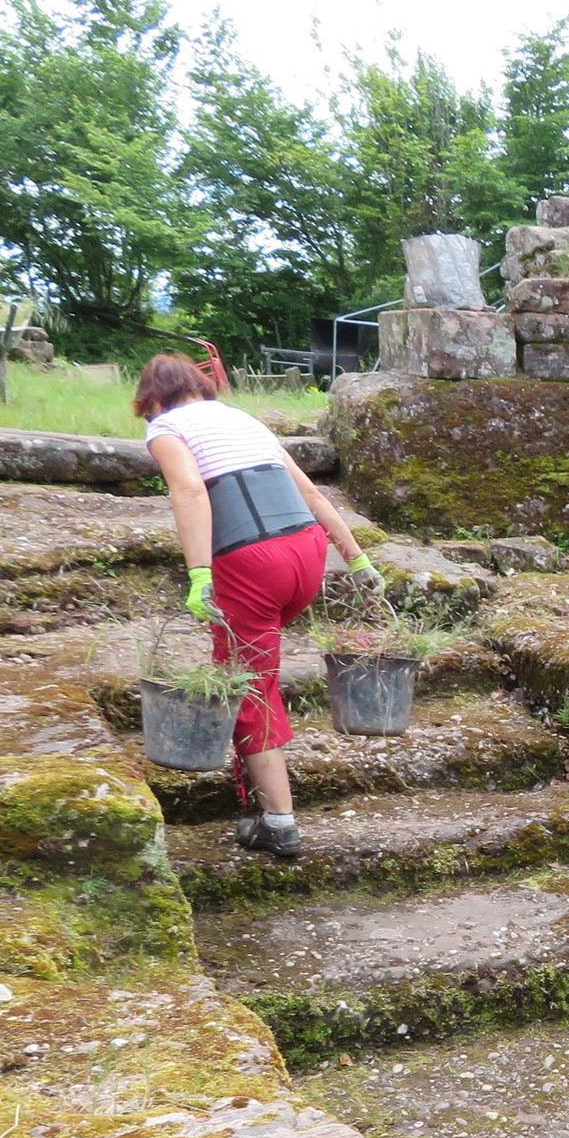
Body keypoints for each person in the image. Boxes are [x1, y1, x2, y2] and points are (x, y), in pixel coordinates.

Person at [133, 353, 379, 859]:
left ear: (152, 399)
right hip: (307, 554)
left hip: (252, 562)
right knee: (253, 669)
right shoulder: (243, 419)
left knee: (249, 684)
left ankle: (278, 822)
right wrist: (357, 558)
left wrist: (199, 573)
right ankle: (257, 793)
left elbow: (189, 490)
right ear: (200, 386)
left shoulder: (166, 427)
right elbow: (312, 494)